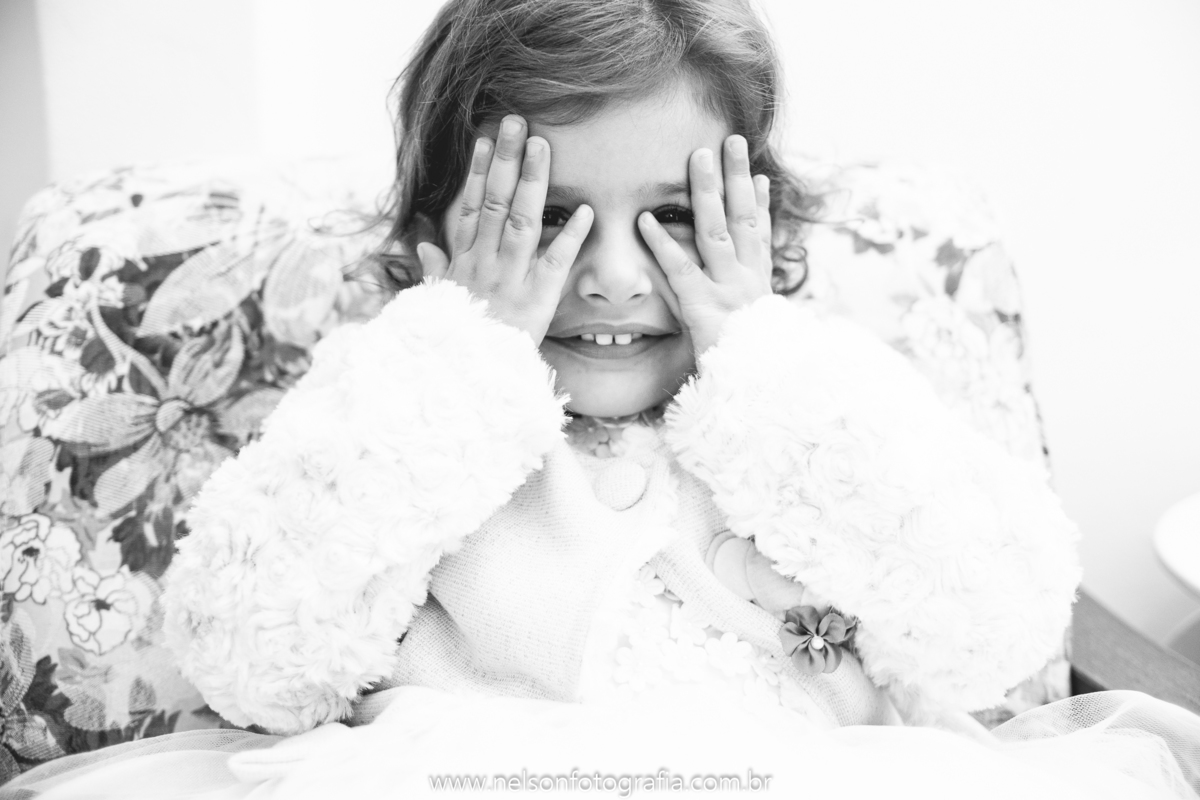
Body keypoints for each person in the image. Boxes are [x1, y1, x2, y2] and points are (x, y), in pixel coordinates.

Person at [4, 0, 1197, 797]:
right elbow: (248, 655)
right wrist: (458, 354)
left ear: (760, 224)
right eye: (545, 219)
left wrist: (765, 364)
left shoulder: (816, 411)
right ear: (433, 241)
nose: (614, 275)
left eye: (674, 215)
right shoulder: (404, 415)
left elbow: (996, 625)